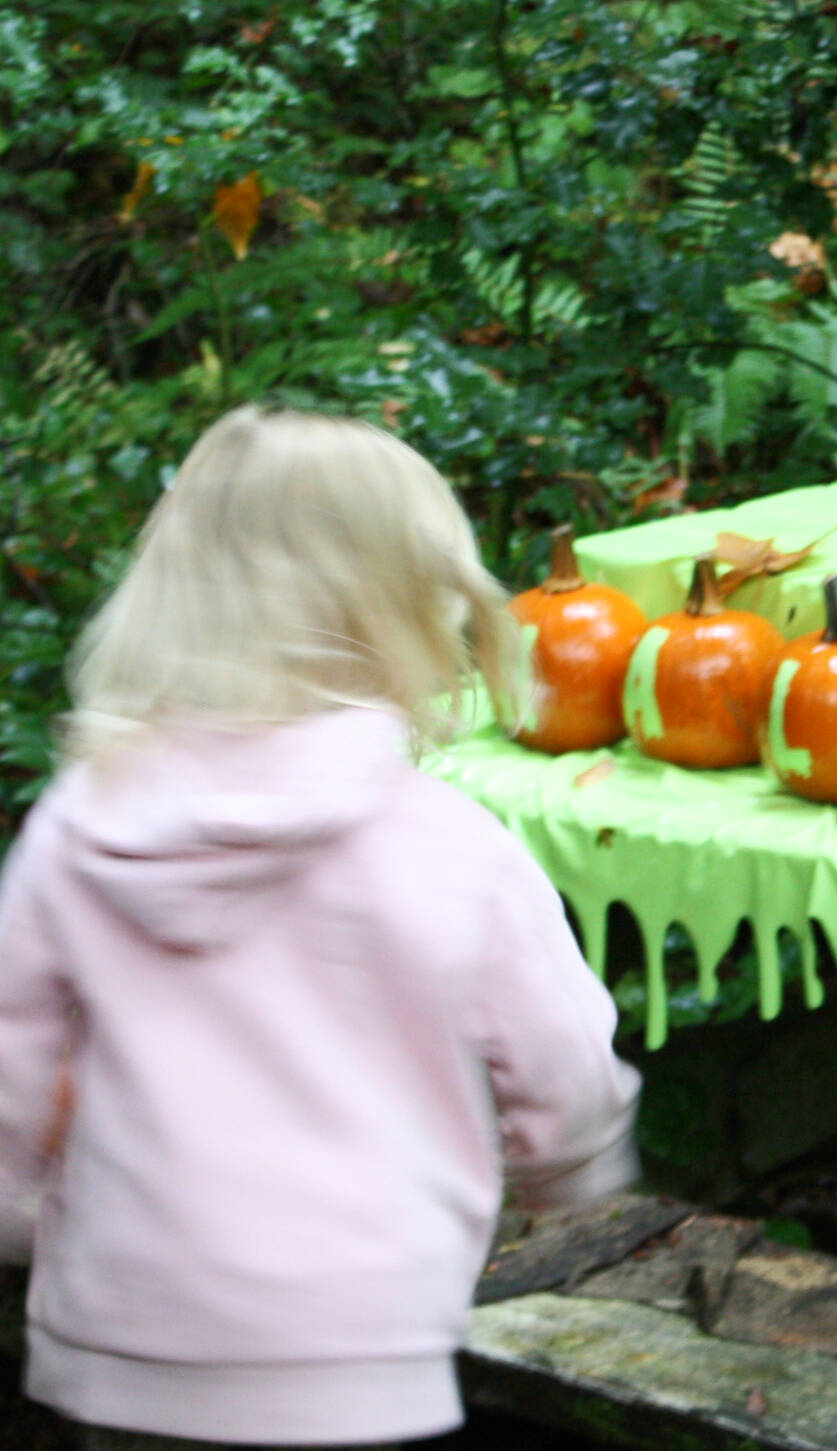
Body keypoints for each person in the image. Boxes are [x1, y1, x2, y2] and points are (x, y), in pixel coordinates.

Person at [0, 405, 643, 1450]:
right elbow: (564, 1072)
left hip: (124, 1339)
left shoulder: (83, 822)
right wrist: (567, 1173)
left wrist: (26, 1222)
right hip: (355, 1344)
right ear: (411, 601)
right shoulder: (450, 842)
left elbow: (10, 1066)